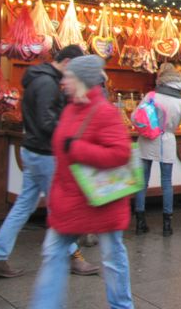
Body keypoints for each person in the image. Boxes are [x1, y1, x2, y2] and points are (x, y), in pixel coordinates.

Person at [30, 55, 134, 308]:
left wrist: (78, 149)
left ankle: (122, 305)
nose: (63, 81)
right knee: (53, 253)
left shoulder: (105, 112)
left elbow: (121, 153)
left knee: (111, 256)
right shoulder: (70, 109)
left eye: (69, 77)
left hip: (101, 199)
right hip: (71, 200)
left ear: (83, 81)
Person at [0, 45, 99, 281]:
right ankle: (72, 257)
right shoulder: (48, 84)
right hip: (46, 153)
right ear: (67, 62)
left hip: (33, 150)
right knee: (60, 206)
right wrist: (71, 136)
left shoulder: (38, 78)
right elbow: (47, 120)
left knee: (23, 206)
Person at [134, 63, 181, 237]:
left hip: (148, 139)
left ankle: (140, 222)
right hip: (167, 140)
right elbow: (176, 124)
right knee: (166, 182)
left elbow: (135, 116)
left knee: (142, 181)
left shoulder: (151, 96)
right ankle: (167, 225)